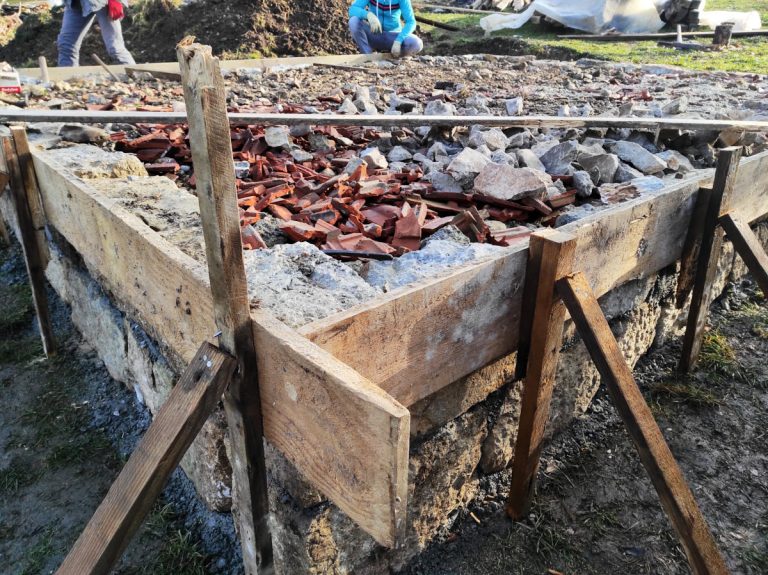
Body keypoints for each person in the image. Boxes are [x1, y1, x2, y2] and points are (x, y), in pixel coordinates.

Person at [57, 0, 135, 67]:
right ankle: (68, 81)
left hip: (103, 2)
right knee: (66, 45)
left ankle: (137, 77)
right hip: (76, 3)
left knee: (115, 48)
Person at [348, 0, 423, 58]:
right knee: (353, 21)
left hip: (393, 39)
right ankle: (368, 55)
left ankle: (396, 55)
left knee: (417, 43)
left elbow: (411, 22)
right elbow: (353, 9)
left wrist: (399, 40)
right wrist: (368, 15)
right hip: (374, 34)